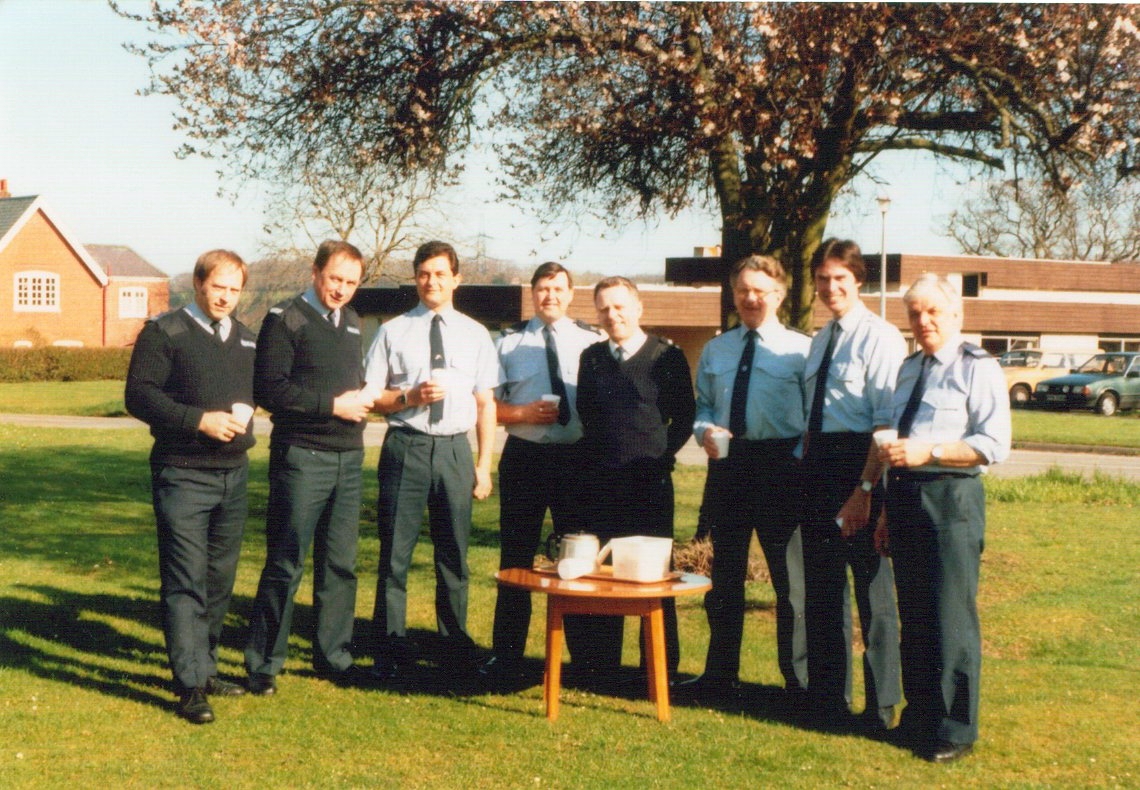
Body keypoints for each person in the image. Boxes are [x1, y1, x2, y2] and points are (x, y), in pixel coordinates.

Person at [875, 273, 1011, 763]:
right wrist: (886, 512)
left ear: (956, 314)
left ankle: (955, 729)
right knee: (915, 615)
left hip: (952, 500)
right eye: (915, 313)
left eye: (933, 311)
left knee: (951, 617)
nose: (923, 320)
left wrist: (929, 449)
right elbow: (895, 446)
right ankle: (920, 718)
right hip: (906, 498)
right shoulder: (909, 368)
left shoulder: (978, 367)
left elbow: (994, 445)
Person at [125, 249, 256, 723]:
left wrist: (246, 424)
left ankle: (207, 666)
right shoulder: (166, 332)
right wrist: (198, 420)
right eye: (218, 286)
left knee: (219, 580)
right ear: (199, 284)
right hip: (182, 473)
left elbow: (248, 398)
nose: (225, 296)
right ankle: (188, 686)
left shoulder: (245, 339)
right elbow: (138, 395)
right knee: (185, 580)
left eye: (234, 289)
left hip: (233, 476)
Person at [364, 240, 499, 681]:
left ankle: (454, 642)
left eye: (440, 273)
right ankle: (390, 645)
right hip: (408, 446)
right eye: (424, 273)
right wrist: (409, 397)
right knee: (396, 552)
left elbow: (485, 403)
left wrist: (483, 465)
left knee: (454, 554)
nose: (431, 281)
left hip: (455, 451)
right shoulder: (393, 330)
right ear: (415, 278)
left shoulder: (476, 334)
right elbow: (373, 397)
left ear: (456, 279)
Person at [677, 255, 808, 701]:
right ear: (733, 294)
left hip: (781, 470)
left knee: (789, 583)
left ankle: (798, 682)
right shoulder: (717, 349)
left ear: (779, 294)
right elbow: (704, 406)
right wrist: (705, 431)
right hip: (729, 468)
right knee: (724, 578)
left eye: (760, 290)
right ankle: (719, 675)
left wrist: (796, 459)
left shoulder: (800, 350)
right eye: (742, 290)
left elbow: (814, 417)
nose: (751, 298)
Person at [243, 240, 370, 695]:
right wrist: (333, 406)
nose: (341, 290)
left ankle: (334, 657)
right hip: (302, 456)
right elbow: (269, 390)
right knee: (287, 560)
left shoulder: (352, 323)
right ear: (315, 273)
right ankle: (263, 663)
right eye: (335, 278)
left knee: (340, 564)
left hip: (348, 458)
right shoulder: (285, 319)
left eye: (351, 283)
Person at [481, 262, 603, 685]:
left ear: (571, 294)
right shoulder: (508, 342)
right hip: (526, 457)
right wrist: (521, 412)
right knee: (515, 559)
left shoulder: (593, 340)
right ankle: (506, 655)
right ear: (532, 293)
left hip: (577, 461)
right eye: (543, 289)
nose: (550, 295)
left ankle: (585, 660)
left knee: (580, 560)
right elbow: (484, 406)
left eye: (558, 288)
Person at [800, 238, 903, 729]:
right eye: (822, 278)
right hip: (818, 468)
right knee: (822, 590)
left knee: (872, 592)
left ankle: (882, 705)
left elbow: (885, 426)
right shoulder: (820, 339)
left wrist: (863, 492)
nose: (830, 287)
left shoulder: (879, 337)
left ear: (858, 280)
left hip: (861, 467)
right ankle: (828, 701)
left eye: (840, 278)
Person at [575, 276, 695, 677]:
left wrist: (661, 458)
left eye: (620, 306)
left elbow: (685, 418)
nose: (613, 315)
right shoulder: (591, 358)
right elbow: (588, 416)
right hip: (600, 485)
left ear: (639, 308)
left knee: (654, 579)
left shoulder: (666, 356)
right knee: (604, 579)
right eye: (604, 308)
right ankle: (603, 669)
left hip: (649, 486)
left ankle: (659, 670)